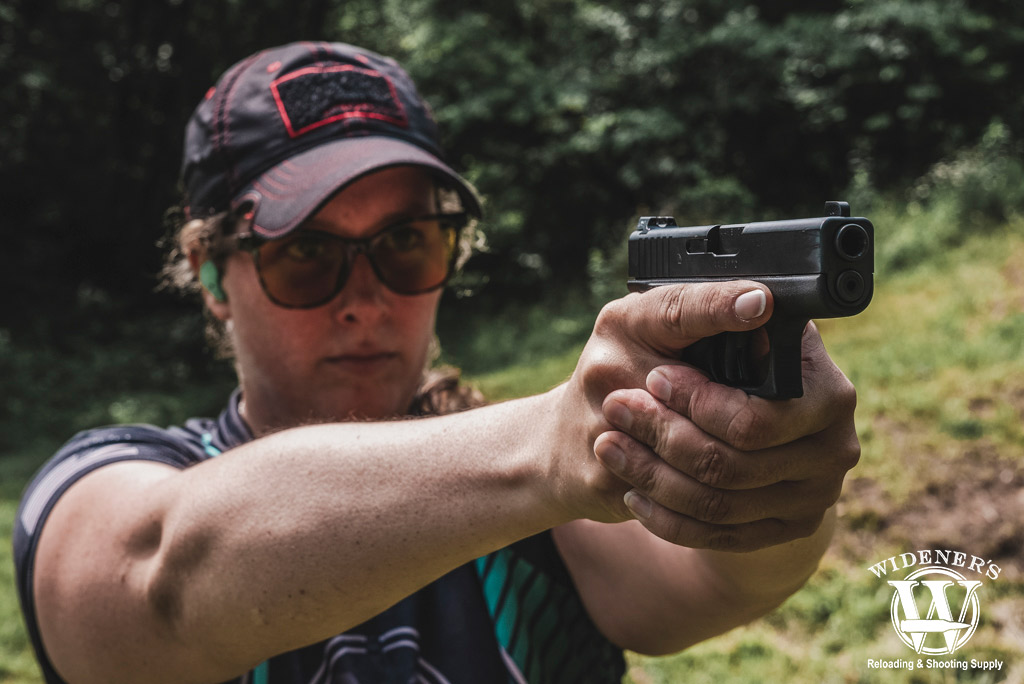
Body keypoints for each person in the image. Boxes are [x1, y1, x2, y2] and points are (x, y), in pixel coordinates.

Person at [13, 41, 859, 684]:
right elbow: (166, 572)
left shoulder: (544, 496)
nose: (366, 296)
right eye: (305, 252)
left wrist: (772, 478)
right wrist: (548, 450)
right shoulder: (104, 482)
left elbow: (716, 581)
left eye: (407, 243)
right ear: (210, 276)